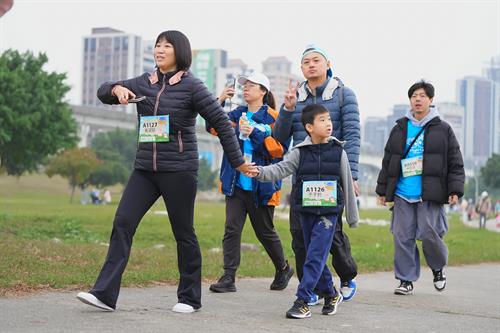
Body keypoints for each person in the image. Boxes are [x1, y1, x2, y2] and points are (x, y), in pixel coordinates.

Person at [76, 30, 253, 314]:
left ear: (179, 52)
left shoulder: (193, 87)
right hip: (145, 169)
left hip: (179, 170)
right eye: (157, 45)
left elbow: (220, 121)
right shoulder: (144, 81)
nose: (160, 50)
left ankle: (190, 298)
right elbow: (103, 90)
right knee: (123, 222)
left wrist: (239, 161)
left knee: (183, 232)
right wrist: (115, 90)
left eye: (166, 46)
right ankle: (105, 294)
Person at [251, 104, 358, 318]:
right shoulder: (299, 152)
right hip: (305, 212)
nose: (328, 124)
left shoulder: (338, 151)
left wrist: (352, 217)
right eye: (322, 120)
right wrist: (259, 172)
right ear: (309, 127)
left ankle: (302, 300)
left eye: (329, 119)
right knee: (312, 256)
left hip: (328, 215)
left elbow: (346, 183)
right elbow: (280, 169)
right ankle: (330, 293)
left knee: (316, 255)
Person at [272, 44, 360, 303]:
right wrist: (287, 110)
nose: (311, 65)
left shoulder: (344, 95)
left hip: (331, 176)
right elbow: (279, 138)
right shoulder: (294, 98)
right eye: (306, 62)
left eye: (316, 60)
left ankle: (346, 275)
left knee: (331, 236)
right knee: (300, 237)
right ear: (301, 68)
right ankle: (311, 289)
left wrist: (351, 175)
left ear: (327, 63)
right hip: (303, 178)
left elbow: (353, 136)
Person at [206, 72, 294, 293]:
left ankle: (283, 268)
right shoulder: (237, 113)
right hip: (236, 182)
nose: (245, 89)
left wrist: (255, 132)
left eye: (251, 86)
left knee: (264, 231)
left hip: (262, 185)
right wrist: (219, 101)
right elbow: (213, 127)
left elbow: (278, 150)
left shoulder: (274, 117)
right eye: (244, 86)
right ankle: (228, 277)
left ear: (263, 91)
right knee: (231, 230)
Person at [376, 80, 465, 295]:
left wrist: (455, 189)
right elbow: (389, 160)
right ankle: (406, 280)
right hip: (402, 192)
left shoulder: (443, 129)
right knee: (402, 236)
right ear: (410, 100)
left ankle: (437, 267)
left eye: (422, 95)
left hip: (430, 192)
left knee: (429, 234)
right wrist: (382, 190)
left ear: (431, 100)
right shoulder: (399, 128)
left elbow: (455, 160)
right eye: (414, 95)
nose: (418, 99)